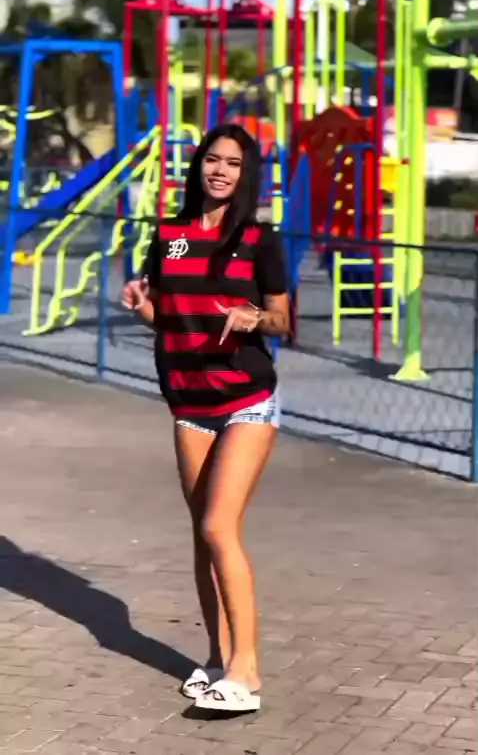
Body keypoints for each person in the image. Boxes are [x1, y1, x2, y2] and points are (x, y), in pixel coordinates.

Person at [122, 124, 289, 713]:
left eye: (233, 163)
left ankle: (247, 673)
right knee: (202, 536)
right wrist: (143, 308)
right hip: (188, 403)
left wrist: (253, 317)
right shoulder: (169, 236)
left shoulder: (259, 240)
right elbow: (166, 317)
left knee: (220, 525)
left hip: (246, 399)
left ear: (247, 174)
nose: (220, 170)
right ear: (198, 166)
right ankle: (218, 660)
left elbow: (283, 321)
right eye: (213, 160)